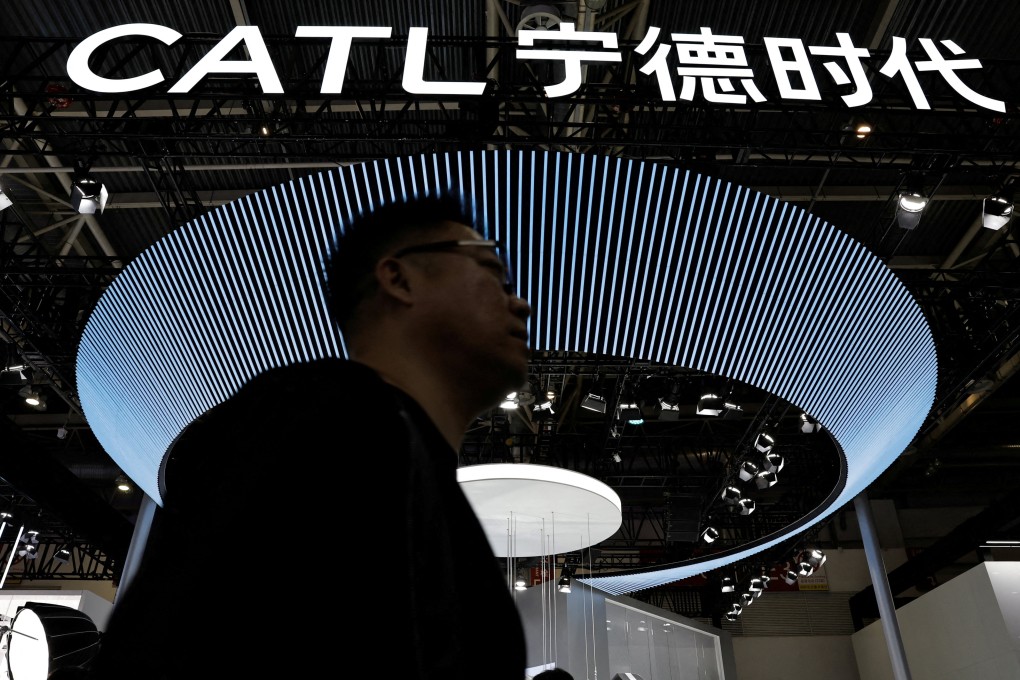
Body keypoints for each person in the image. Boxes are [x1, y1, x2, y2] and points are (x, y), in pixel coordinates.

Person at [86, 191, 532, 678]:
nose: (521, 304)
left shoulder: (411, 468)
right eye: (492, 271)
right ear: (399, 278)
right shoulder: (325, 416)